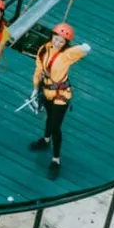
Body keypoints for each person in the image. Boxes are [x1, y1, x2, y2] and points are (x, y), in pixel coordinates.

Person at [29, 23, 90, 173]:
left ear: (65, 44)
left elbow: (78, 51)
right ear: (52, 37)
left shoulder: (67, 55)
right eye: (56, 39)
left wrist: (84, 48)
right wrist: (35, 88)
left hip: (61, 94)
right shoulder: (44, 50)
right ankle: (45, 139)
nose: (57, 43)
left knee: (56, 126)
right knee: (49, 118)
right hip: (47, 90)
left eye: (61, 41)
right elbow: (38, 69)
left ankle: (56, 159)